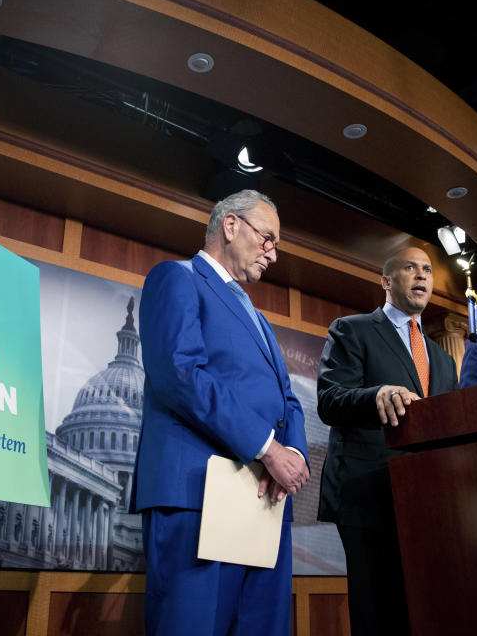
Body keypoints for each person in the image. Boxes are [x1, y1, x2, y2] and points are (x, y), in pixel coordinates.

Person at [130, 189, 309, 636]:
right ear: (231, 226)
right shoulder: (177, 278)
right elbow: (179, 373)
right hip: (197, 497)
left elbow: (288, 398)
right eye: (267, 239)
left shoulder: (259, 318)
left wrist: (296, 456)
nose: (272, 254)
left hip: (265, 498)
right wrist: (267, 447)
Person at [316, 246, 458, 636]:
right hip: (369, 494)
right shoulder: (352, 329)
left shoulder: (442, 359)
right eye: (410, 267)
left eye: (427, 269)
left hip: (427, 501)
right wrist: (374, 395)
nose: (421, 276)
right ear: (386, 280)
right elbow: (329, 400)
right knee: (378, 613)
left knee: (424, 611)